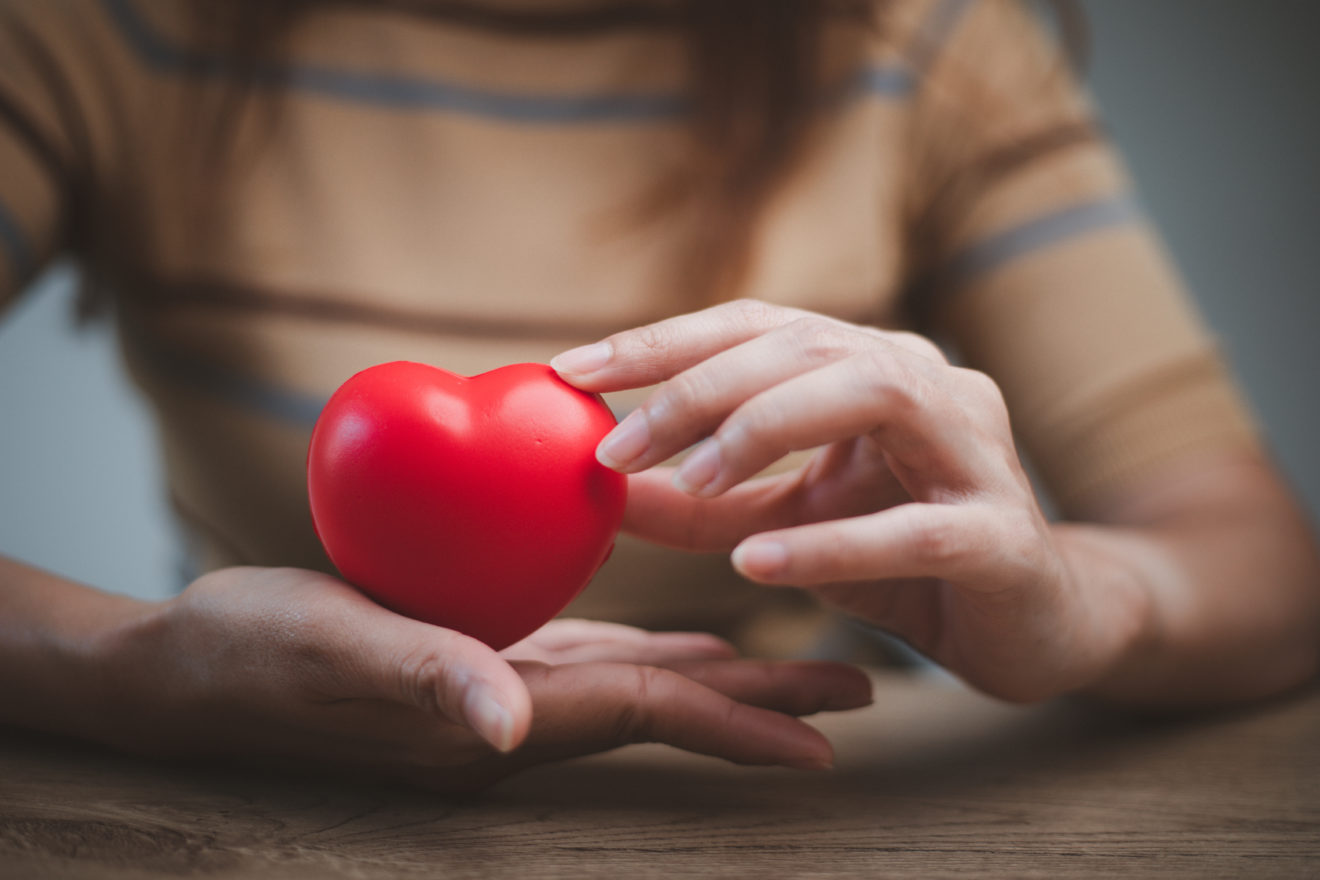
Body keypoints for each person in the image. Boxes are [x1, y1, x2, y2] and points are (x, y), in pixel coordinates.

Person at [0, 0, 1316, 792]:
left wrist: (1085, 601)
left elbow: (1265, 573)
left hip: (802, 813)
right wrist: (131, 674)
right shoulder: (123, 27)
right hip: (248, 827)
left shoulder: (918, 41)